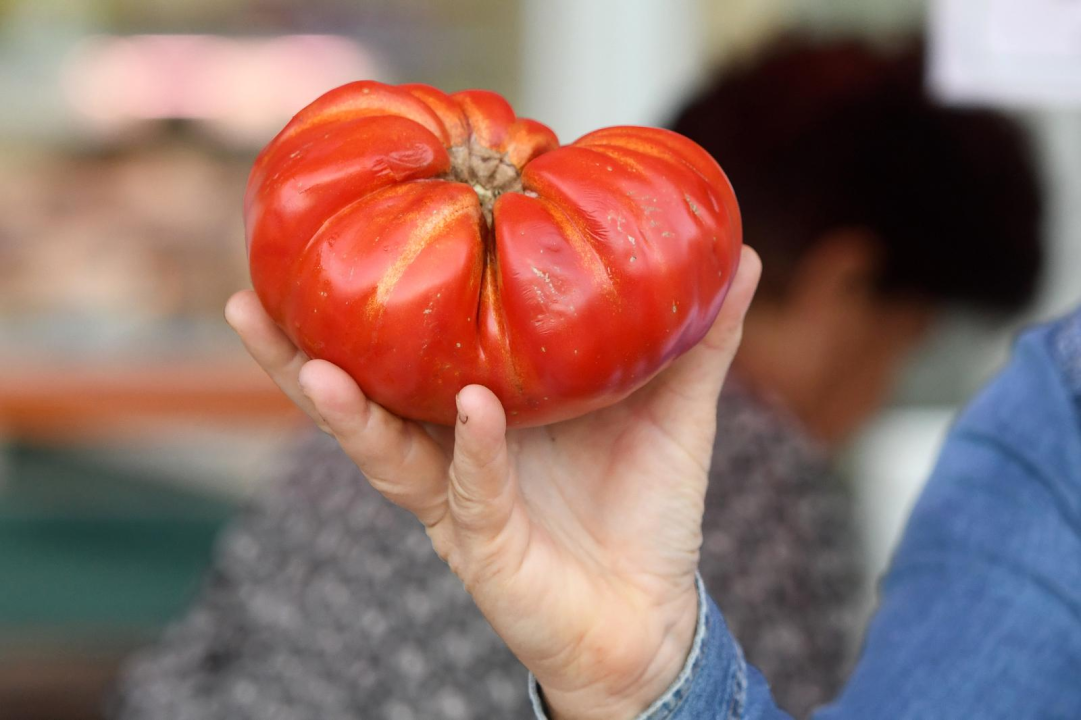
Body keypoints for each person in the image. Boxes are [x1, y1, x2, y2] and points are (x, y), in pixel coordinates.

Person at [111, 37, 1043, 719]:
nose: (887, 390)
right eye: (910, 342)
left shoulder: (398, 398)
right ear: (846, 284)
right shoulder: (758, 485)